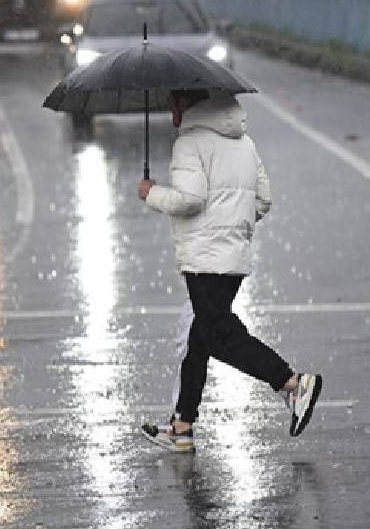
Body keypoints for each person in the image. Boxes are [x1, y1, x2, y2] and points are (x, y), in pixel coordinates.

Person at [137, 88, 322, 451]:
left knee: (219, 336)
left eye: (171, 103)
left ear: (184, 104)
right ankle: (182, 427)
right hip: (233, 258)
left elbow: (189, 200)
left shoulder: (190, 143)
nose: (168, 110)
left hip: (205, 260)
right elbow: (263, 200)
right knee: (199, 338)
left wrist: (152, 193)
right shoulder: (244, 142)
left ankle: (291, 382)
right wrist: (232, 224)